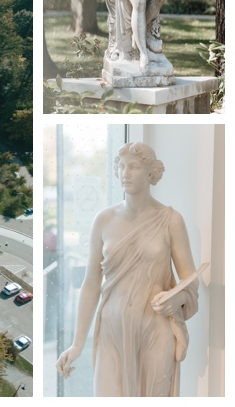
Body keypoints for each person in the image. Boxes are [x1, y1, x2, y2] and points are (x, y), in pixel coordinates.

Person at [55, 142, 199, 396]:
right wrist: (77, 344)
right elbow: (91, 284)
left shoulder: (171, 220)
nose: (125, 173)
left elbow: (191, 281)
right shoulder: (103, 220)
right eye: (121, 167)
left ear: (151, 172)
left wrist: (176, 298)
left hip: (155, 329)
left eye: (133, 166)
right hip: (112, 330)